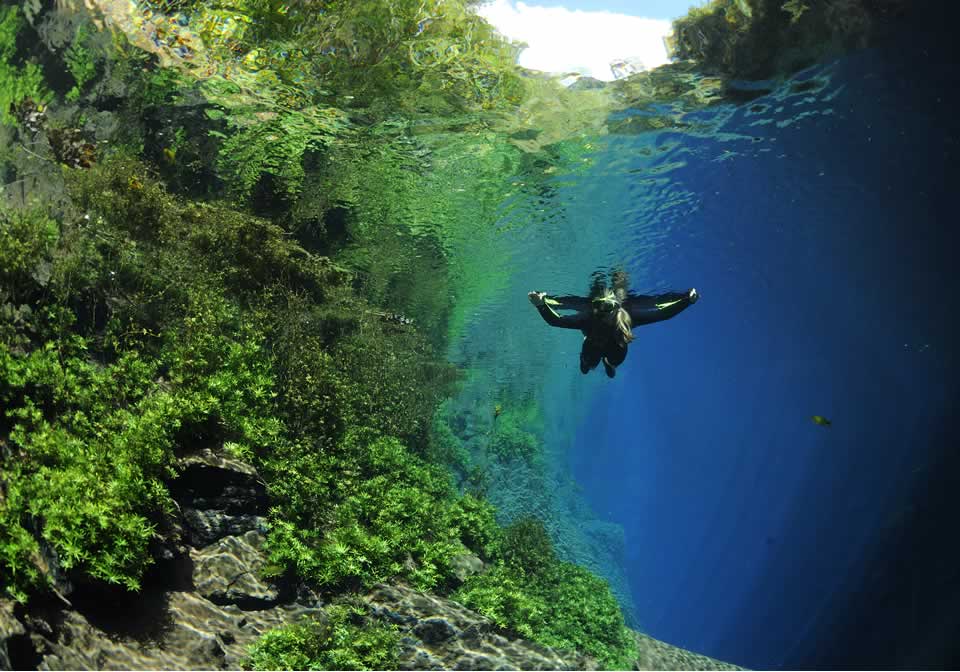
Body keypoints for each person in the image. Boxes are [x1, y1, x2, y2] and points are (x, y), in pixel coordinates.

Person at [528, 271, 698, 378]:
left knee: (610, 362)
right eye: (598, 306)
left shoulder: (627, 317)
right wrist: (541, 303)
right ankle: (591, 365)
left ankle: (608, 366)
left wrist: (686, 301)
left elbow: (662, 313)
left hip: (616, 350)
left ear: (616, 307)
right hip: (593, 346)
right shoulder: (588, 318)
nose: (602, 311)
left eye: (607, 306)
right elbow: (556, 321)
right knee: (588, 365)